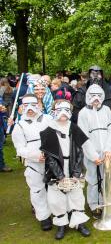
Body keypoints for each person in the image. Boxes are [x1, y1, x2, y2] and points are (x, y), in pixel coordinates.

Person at [40, 100, 100, 240]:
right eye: (59, 110)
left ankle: (79, 222)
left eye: (66, 110)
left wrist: (76, 173)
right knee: (56, 198)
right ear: (54, 111)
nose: (63, 113)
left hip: (72, 166)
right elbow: (49, 157)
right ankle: (62, 224)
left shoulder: (74, 128)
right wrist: (59, 176)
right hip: (56, 170)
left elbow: (81, 150)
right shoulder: (48, 131)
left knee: (77, 195)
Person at [11, 94, 52, 231]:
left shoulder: (48, 119)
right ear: (22, 107)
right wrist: (35, 155)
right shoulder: (19, 126)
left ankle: (58, 212)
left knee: (54, 187)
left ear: (39, 105)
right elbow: (20, 149)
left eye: (33, 105)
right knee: (37, 189)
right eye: (26, 105)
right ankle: (44, 216)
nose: (30, 108)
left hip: (52, 160)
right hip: (34, 163)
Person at [77, 84, 111, 219]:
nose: (96, 98)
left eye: (99, 96)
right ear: (88, 96)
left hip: (106, 152)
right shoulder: (83, 113)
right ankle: (94, 205)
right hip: (91, 153)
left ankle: (106, 202)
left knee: (106, 178)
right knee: (93, 179)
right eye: (93, 95)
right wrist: (93, 155)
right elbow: (83, 137)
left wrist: (108, 150)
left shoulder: (107, 110)